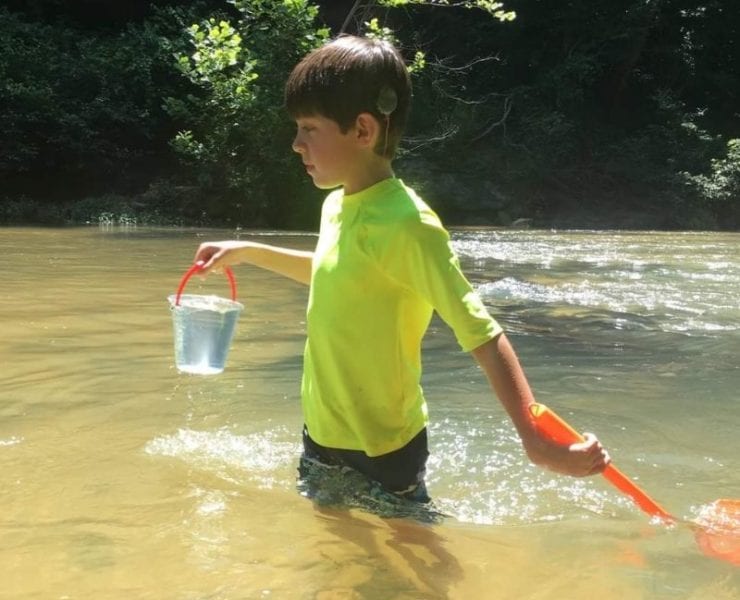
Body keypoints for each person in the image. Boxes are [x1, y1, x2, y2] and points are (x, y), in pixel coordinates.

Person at [192, 35, 610, 504]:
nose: (295, 144)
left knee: (413, 554)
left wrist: (535, 440)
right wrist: (247, 251)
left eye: (309, 128)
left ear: (363, 131)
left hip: (387, 445)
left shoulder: (409, 224)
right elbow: (338, 275)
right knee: (332, 554)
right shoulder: (336, 205)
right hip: (322, 429)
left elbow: (481, 334)